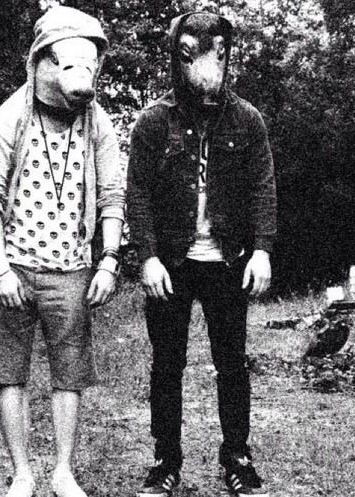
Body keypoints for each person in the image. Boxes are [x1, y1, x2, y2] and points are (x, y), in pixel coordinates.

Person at [0, 6, 125, 497]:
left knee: (70, 375)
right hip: (14, 268)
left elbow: (112, 197)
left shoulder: (98, 124)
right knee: (10, 373)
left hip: (72, 270)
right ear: (41, 61)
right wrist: (1, 269)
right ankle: (22, 474)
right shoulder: (8, 117)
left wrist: (108, 260)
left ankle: (63, 471)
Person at [127, 12, 277, 497]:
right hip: (171, 264)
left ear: (227, 56)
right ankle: (165, 461)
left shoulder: (247, 119)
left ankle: (237, 458)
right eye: (190, 53)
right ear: (177, 57)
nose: (205, 65)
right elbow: (138, 193)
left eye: (217, 52)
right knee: (166, 365)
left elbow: (262, 187)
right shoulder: (154, 120)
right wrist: (147, 256)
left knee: (232, 364)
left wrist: (262, 250)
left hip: (228, 261)